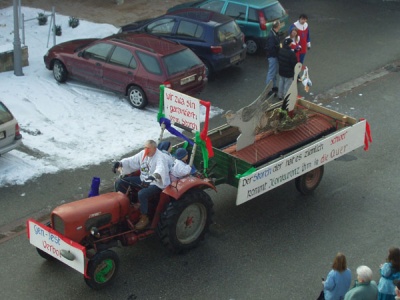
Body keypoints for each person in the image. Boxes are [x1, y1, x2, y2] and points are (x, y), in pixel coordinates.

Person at [113, 140, 171, 230]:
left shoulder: (160, 157)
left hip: (156, 183)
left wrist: (151, 178)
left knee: (142, 194)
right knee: (120, 182)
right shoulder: (143, 154)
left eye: (148, 148)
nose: (146, 150)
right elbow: (132, 160)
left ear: (154, 149)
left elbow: (160, 170)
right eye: (145, 148)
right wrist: (120, 163)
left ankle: (145, 217)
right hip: (143, 179)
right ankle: (125, 205)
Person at [265, 20, 281, 97]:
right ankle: (268, 89)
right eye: (279, 25)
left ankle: (274, 86)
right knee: (271, 72)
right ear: (277, 26)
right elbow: (271, 47)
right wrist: (278, 47)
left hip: (274, 56)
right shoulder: (272, 36)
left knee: (274, 72)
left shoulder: (274, 33)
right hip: (273, 56)